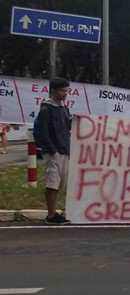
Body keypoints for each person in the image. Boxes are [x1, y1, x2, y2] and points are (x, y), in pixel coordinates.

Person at [34, 77, 72, 224]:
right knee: (52, 182)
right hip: (53, 152)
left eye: (67, 90)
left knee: (61, 182)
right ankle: (51, 214)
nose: (65, 93)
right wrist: (52, 150)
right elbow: (41, 133)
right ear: (54, 91)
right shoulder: (46, 109)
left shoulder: (63, 108)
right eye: (63, 90)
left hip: (64, 150)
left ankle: (56, 212)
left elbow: (67, 126)